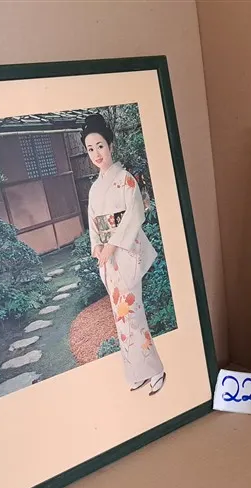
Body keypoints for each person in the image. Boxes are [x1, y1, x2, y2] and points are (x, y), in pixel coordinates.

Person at [84, 113, 166, 396]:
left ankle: (155, 370)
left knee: (134, 313)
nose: (96, 153)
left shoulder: (125, 179)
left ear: (110, 145)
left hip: (124, 254)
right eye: (90, 149)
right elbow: (93, 223)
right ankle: (136, 372)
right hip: (108, 260)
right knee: (121, 319)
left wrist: (111, 245)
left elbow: (134, 215)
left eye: (100, 146)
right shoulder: (95, 189)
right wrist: (97, 246)